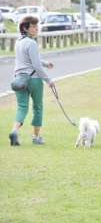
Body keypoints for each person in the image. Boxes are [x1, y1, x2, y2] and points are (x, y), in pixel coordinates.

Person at [8, 16, 55, 146]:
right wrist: (48, 80)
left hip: (19, 79)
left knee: (22, 107)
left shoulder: (19, 42)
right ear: (25, 28)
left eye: (36, 26)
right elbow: (36, 66)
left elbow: (29, 60)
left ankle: (14, 131)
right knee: (38, 107)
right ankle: (36, 137)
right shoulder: (32, 43)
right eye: (33, 27)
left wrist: (46, 63)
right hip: (34, 80)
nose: (36, 29)